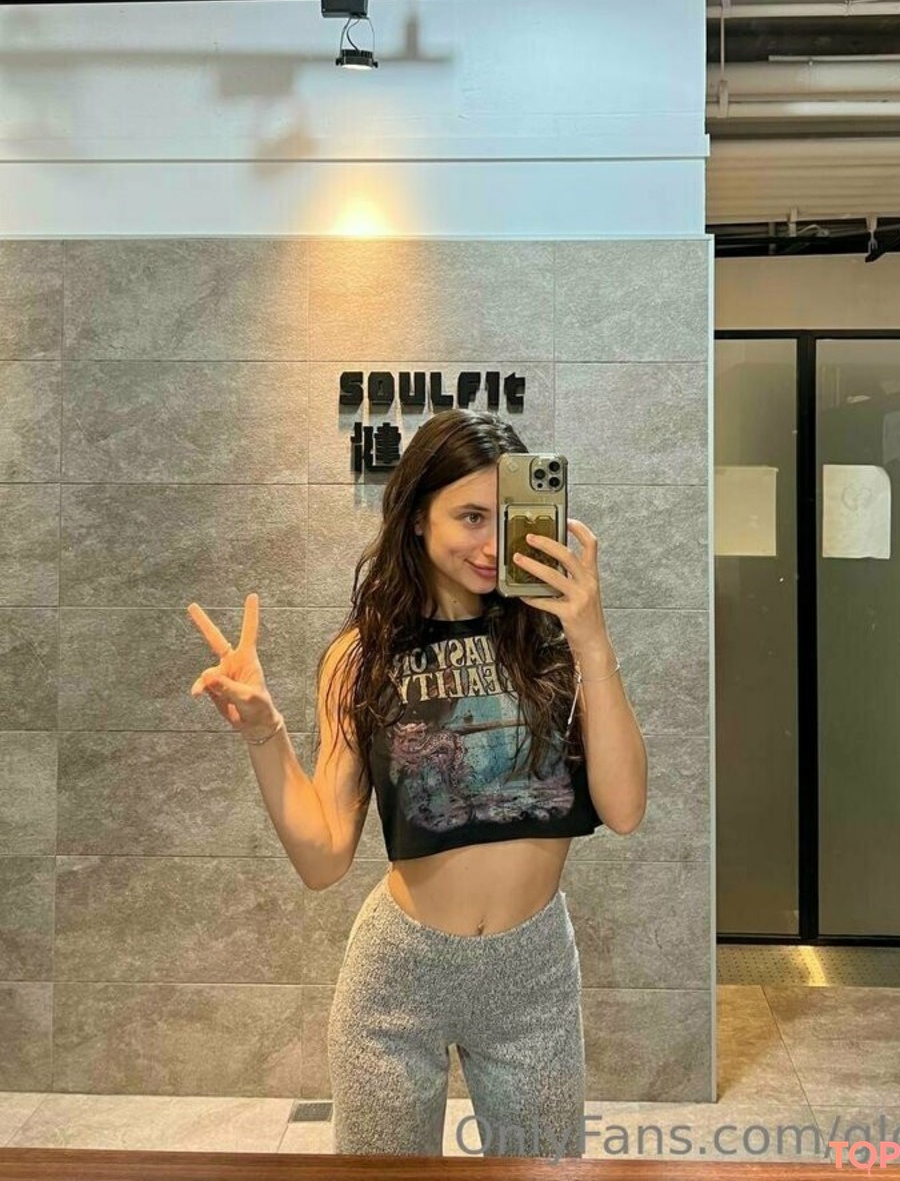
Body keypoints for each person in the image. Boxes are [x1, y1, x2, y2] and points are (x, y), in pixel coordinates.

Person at [186, 408, 647, 1158]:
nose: (492, 545)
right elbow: (323, 857)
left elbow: (625, 809)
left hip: (532, 980)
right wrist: (265, 734)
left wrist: (592, 635)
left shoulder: (554, 641)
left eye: (506, 516)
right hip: (399, 979)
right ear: (418, 517)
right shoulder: (362, 654)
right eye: (470, 516)